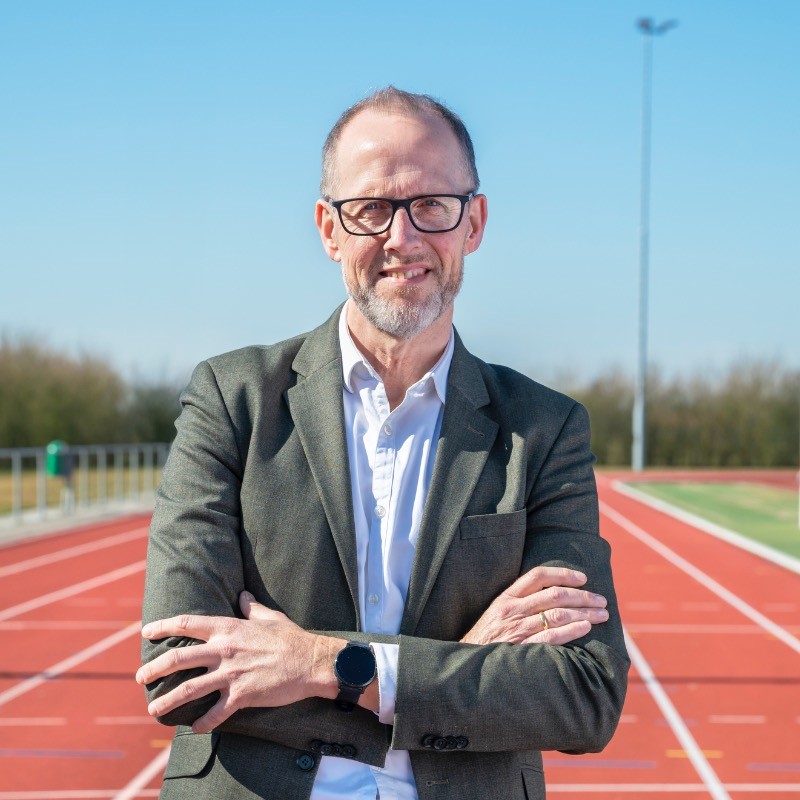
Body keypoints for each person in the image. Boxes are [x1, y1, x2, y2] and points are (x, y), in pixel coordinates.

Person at [137, 86, 629, 800]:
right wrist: (454, 669)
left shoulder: (545, 430)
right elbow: (181, 674)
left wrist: (318, 663)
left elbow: (583, 695)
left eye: (433, 204)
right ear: (329, 229)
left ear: (474, 222)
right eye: (371, 208)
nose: (403, 237)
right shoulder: (232, 399)